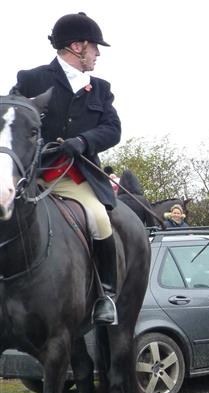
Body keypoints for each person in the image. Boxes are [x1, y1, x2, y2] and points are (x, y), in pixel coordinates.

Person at [14, 12, 120, 325]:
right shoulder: (32, 80)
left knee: (99, 219)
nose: (98, 54)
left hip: (74, 177)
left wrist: (83, 141)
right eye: (94, 47)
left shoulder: (100, 89)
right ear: (77, 46)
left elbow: (112, 129)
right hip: (31, 174)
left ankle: (106, 295)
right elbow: (12, 118)